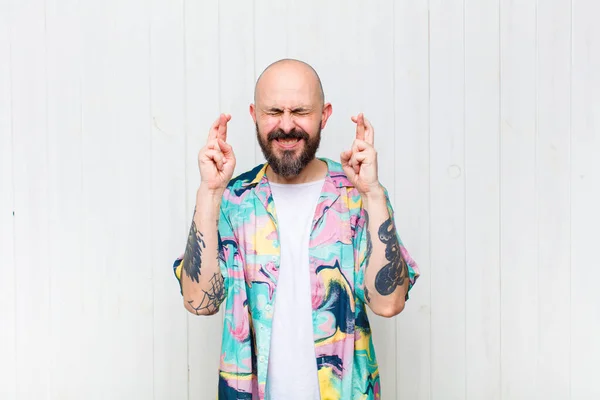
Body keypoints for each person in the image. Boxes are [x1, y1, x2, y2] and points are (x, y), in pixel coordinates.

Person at [173, 59, 420, 400]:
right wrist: (210, 192)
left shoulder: (356, 196)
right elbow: (199, 301)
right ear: (255, 115)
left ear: (324, 115)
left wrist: (374, 193)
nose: (286, 126)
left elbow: (389, 303)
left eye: (300, 111)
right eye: (274, 111)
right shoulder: (234, 198)